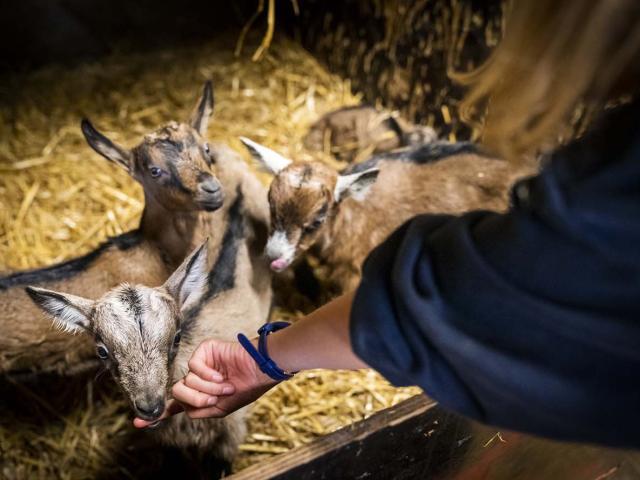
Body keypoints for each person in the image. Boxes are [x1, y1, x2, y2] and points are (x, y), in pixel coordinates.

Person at [135, 0, 640, 448]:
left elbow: (460, 296)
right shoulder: (608, 161)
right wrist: (264, 357)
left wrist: (267, 356)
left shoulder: (601, 195)